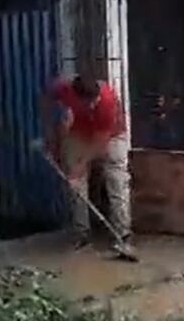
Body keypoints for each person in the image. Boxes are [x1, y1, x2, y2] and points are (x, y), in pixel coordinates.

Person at [42, 72, 131, 252]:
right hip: (79, 133)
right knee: (75, 185)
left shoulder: (107, 102)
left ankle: (122, 235)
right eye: (88, 103)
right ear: (76, 96)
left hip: (112, 135)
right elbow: (47, 98)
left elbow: (100, 141)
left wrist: (81, 164)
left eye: (94, 101)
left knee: (116, 180)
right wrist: (52, 128)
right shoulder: (64, 88)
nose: (92, 105)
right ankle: (82, 234)